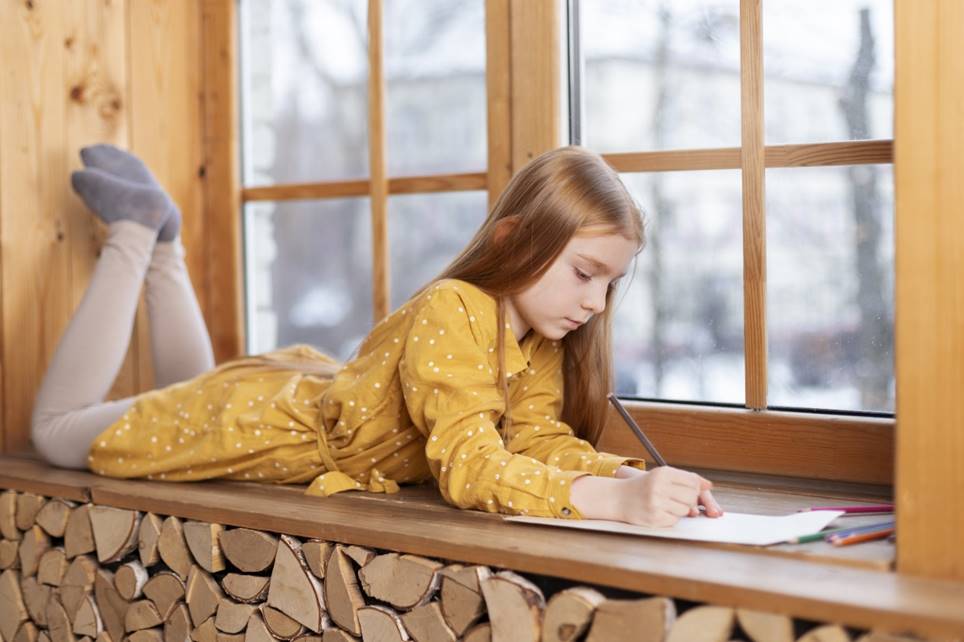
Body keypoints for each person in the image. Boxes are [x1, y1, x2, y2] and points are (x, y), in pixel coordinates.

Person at [32, 144, 722, 528]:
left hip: (280, 404)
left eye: (609, 284)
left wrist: (639, 479)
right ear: (515, 238)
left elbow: (538, 444)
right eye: (584, 273)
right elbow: (471, 469)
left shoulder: (536, 343)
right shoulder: (456, 307)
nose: (597, 304)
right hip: (265, 426)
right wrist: (613, 502)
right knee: (56, 433)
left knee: (174, 396)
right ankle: (134, 234)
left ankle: (163, 245)